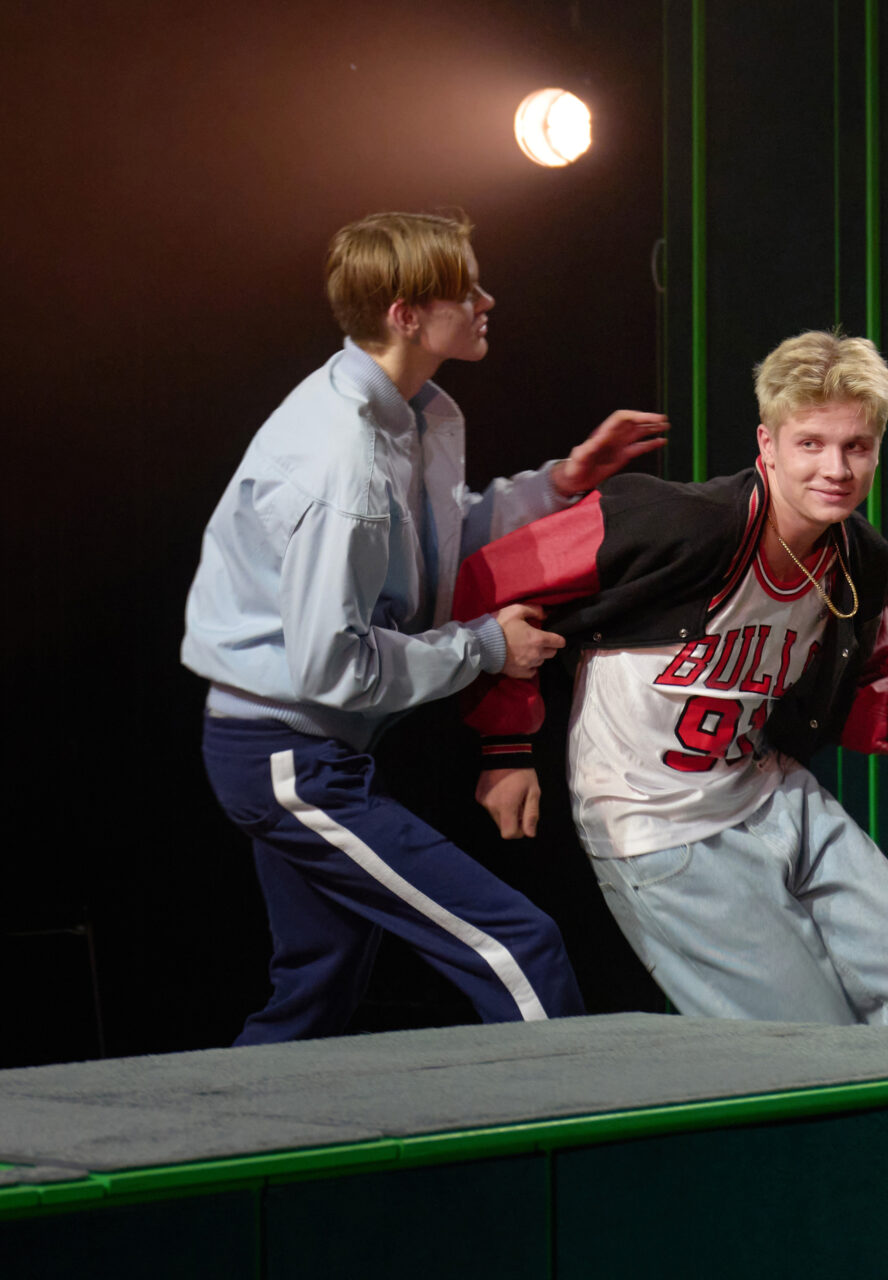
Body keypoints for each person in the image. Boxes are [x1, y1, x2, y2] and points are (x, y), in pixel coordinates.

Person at [183, 211, 668, 1043]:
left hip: (306, 750)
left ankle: (217, 1133)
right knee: (517, 946)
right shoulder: (342, 460)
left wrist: (559, 483)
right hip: (285, 757)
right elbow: (333, 667)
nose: (487, 300)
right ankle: (580, 1122)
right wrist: (487, 647)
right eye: (464, 290)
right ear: (407, 315)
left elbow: (435, 547)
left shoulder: (408, 412)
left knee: (314, 993)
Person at [452, 331, 888, 1028]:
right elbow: (490, 578)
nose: (836, 469)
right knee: (806, 1041)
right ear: (768, 444)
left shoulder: (860, 560)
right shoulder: (674, 523)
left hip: (772, 795)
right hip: (657, 821)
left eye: (856, 446)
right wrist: (505, 745)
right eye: (811, 444)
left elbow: (861, 687)